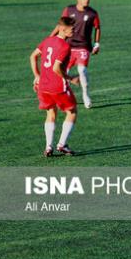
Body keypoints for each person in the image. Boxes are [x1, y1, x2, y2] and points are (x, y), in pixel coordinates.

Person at [30, 17, 80, 157]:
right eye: (72, 29)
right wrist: (70, 78)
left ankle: (48, 147)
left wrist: (37, 75)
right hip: (57, 86)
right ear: (63, 29)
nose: (74, 31)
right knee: (72, 111)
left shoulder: (48, 40)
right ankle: (62, 145)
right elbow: (56, 68)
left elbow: (33, 56)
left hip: (43, 86)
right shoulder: (64, 46)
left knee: (51, 114)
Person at [51, 0, 100, 108]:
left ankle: (85, 94)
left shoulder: (92, 13)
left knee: (82, 70)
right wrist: (51, 38)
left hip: (83, 47)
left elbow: (97, 28)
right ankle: (65, 95)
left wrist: (97, 43)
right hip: (68, 46)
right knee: (64, 72)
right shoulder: (69, 10)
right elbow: (61, 25)